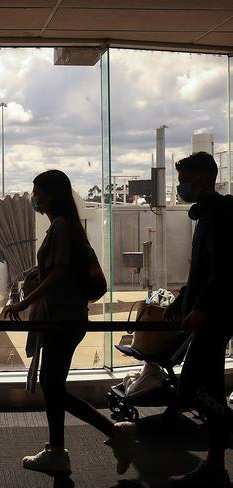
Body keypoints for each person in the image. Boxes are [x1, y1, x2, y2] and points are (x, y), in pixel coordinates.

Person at [5, 170, 136, 476]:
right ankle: (59, 450)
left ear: (51, 194)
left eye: (37, 192)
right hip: (64, 317)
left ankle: (112, 433)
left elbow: (61, 273)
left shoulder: (61, 227)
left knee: (52, 386)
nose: (33, 198)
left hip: (62, 318)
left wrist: (25, 301)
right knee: (52, 386)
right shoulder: (65, 226)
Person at [165, 152, 233, 487]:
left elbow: (223, 271)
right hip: (209, 314)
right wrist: (182, 299)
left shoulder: (220, 217)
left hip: (215, 318)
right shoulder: (208, 216)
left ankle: (227, 427)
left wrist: (203, 307)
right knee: (212, 391)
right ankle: (216, 466)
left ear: (202, 180)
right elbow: (204, 272)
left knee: (191, 388)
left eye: (183, 180)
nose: (180, 187)